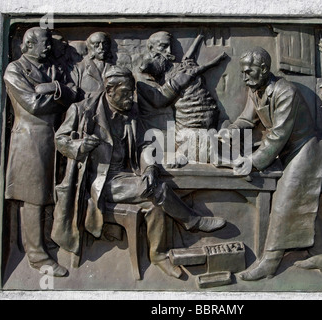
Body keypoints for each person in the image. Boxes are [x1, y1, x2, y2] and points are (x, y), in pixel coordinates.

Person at [52, 65, 226, 278]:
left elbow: (144, 145)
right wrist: (79, 146)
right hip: (98, 181)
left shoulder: (129, 111)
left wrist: (149, 167)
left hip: (126, 177)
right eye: (125, 92)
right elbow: (60, 140)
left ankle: (158, 255)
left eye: (132, 90)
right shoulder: (82, 110)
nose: (131, 96)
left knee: (154, 204)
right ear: (109, 91)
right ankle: (193, 221)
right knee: (157, 189)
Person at [226, 47, 322, 281]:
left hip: (304, 150)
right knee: (304, 201)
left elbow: (278, 134)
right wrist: (229, 131)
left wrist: (253, 162)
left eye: (248, 71)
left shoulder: (286, 92)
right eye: (242, 72)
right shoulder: (255, 88)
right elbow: (246, 119)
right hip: (284, 150)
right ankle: (320, 254)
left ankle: (270, 263)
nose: (244, 76)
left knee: (285, 203)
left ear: (264, 69)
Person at [3, 27, 78, 277]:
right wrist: (58, 93)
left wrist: (52, 88)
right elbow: (33, 104)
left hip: (54, 138)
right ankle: (36, 256)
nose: (48, 48)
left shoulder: (52, 69)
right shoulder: (15, 69)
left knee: (49, 193)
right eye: (44, 43)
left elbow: (72, 93)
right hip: (29, 141)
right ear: (29, 44)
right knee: (32, 197)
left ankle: (47, 239)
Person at [71, 31, 114, 100]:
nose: (101, 47)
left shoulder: (114, 68)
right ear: (89, 46)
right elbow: (73, 94)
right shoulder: (78, 69)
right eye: (97, 44)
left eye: (105, 44)